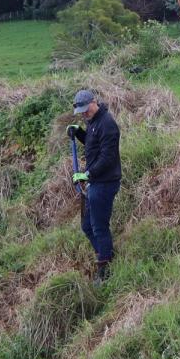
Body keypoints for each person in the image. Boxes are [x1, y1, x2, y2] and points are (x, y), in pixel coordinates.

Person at [66, 89, 121, 285]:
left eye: (85, 109)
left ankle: (104, 268)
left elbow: (108, 158)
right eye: (80, 111)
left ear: (94, 102)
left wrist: (87, 174)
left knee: (99, 227)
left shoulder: (108, 124)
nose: (83, 113)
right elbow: (92, 143)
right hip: (95, 183)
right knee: (87, 226)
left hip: (105, 183)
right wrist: (79, 132)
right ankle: (105, 255)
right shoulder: (93, 122)